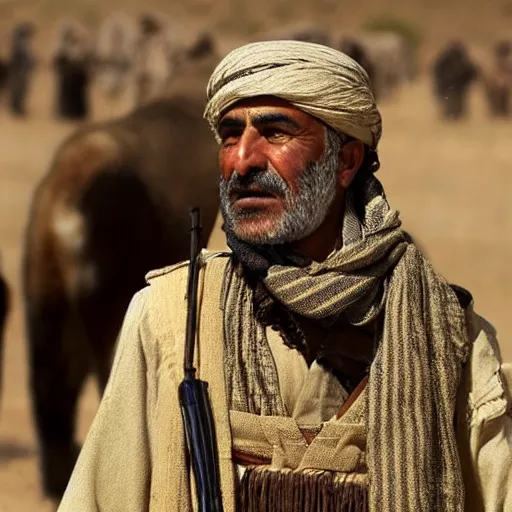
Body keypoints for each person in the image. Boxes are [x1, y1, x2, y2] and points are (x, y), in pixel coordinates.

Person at [58, 41, 512, 511]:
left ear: (347, 161)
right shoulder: (171, 316)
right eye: (231, 136)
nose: (242, 160)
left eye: (275, 133)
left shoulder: (446, 333)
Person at [53, 22, 92, 120]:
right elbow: (58, 61)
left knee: (79, 97)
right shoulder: (62, 47)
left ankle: (78, 114)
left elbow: (86, 60)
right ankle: (65, 113)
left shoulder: (82, 47)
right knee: (66, 97)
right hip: (67, 77)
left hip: (78, 77)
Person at [432, 41, 479, 120]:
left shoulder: (461, 61)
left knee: (455, 111)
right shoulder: (445, 60)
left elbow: (471, 73)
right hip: (449, 87)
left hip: (456, 88)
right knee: (452, 110)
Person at [7, 22, 36, 117]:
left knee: (22, 90)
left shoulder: (23, 44)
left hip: (23, 71)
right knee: (18, 90)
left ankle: (18, 107)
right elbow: (17, 59)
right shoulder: (19, 44)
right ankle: (16, 108)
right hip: (18, 71)